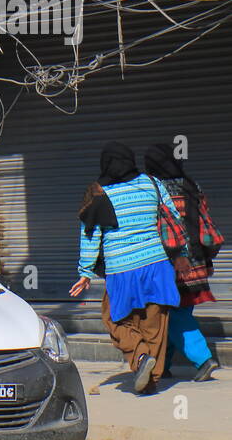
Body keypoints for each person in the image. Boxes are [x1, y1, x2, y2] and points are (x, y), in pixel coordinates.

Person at [70, 143, 183, 395]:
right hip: (157, 265)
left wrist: (85, 272)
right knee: (154, 326)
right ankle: (149, 380)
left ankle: (141, 358)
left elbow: (90, 235)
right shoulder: (152, 183)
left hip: (122, 269)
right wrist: (181, 255)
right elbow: (174, 218)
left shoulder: (98, 192)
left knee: (115, 319)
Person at [144, 144, 222, 382]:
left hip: (171, 261)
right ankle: (162, 365)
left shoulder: (154, 189)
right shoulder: (191, 185)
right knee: (174, 312)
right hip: (196, 260)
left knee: (174, 312)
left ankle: (203, 359)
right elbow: (203, 221)